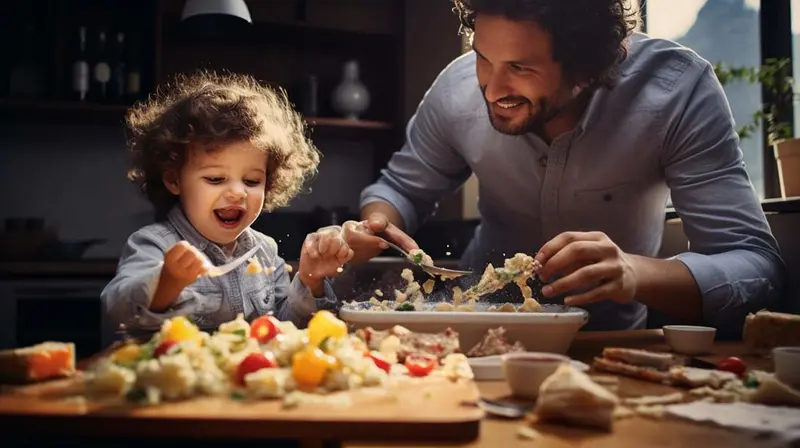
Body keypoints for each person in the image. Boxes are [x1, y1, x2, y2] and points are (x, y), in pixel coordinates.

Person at [345, 0, 785, 337]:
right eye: (483, 57)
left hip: (606, 346)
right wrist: (376, 224)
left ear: (586, 69)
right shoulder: (458, 89)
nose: (491, 89)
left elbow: (757, 268)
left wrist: (634, 273)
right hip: (470, 339)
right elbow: (402, 187)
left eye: (519, 67)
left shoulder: (676, 92)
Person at [101, 71, 352, 343]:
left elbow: (285, 329)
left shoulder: (265, 252)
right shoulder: (154, 244)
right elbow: (115, 311)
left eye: (252, 180)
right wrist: (166, 283)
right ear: (174, 179)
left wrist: (311, 280)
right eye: (216, 179)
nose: (237, 192)